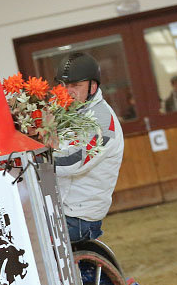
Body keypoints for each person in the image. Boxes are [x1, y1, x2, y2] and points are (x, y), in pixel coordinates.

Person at [51, 52, 124, 243]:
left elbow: (70, 162)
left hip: (78, 216)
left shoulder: (102, 123)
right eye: (63, 85)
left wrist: (32, 158)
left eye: (75, 85)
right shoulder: (67, 108)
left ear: (93, 86)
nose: (67, 92)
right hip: (59, 207)